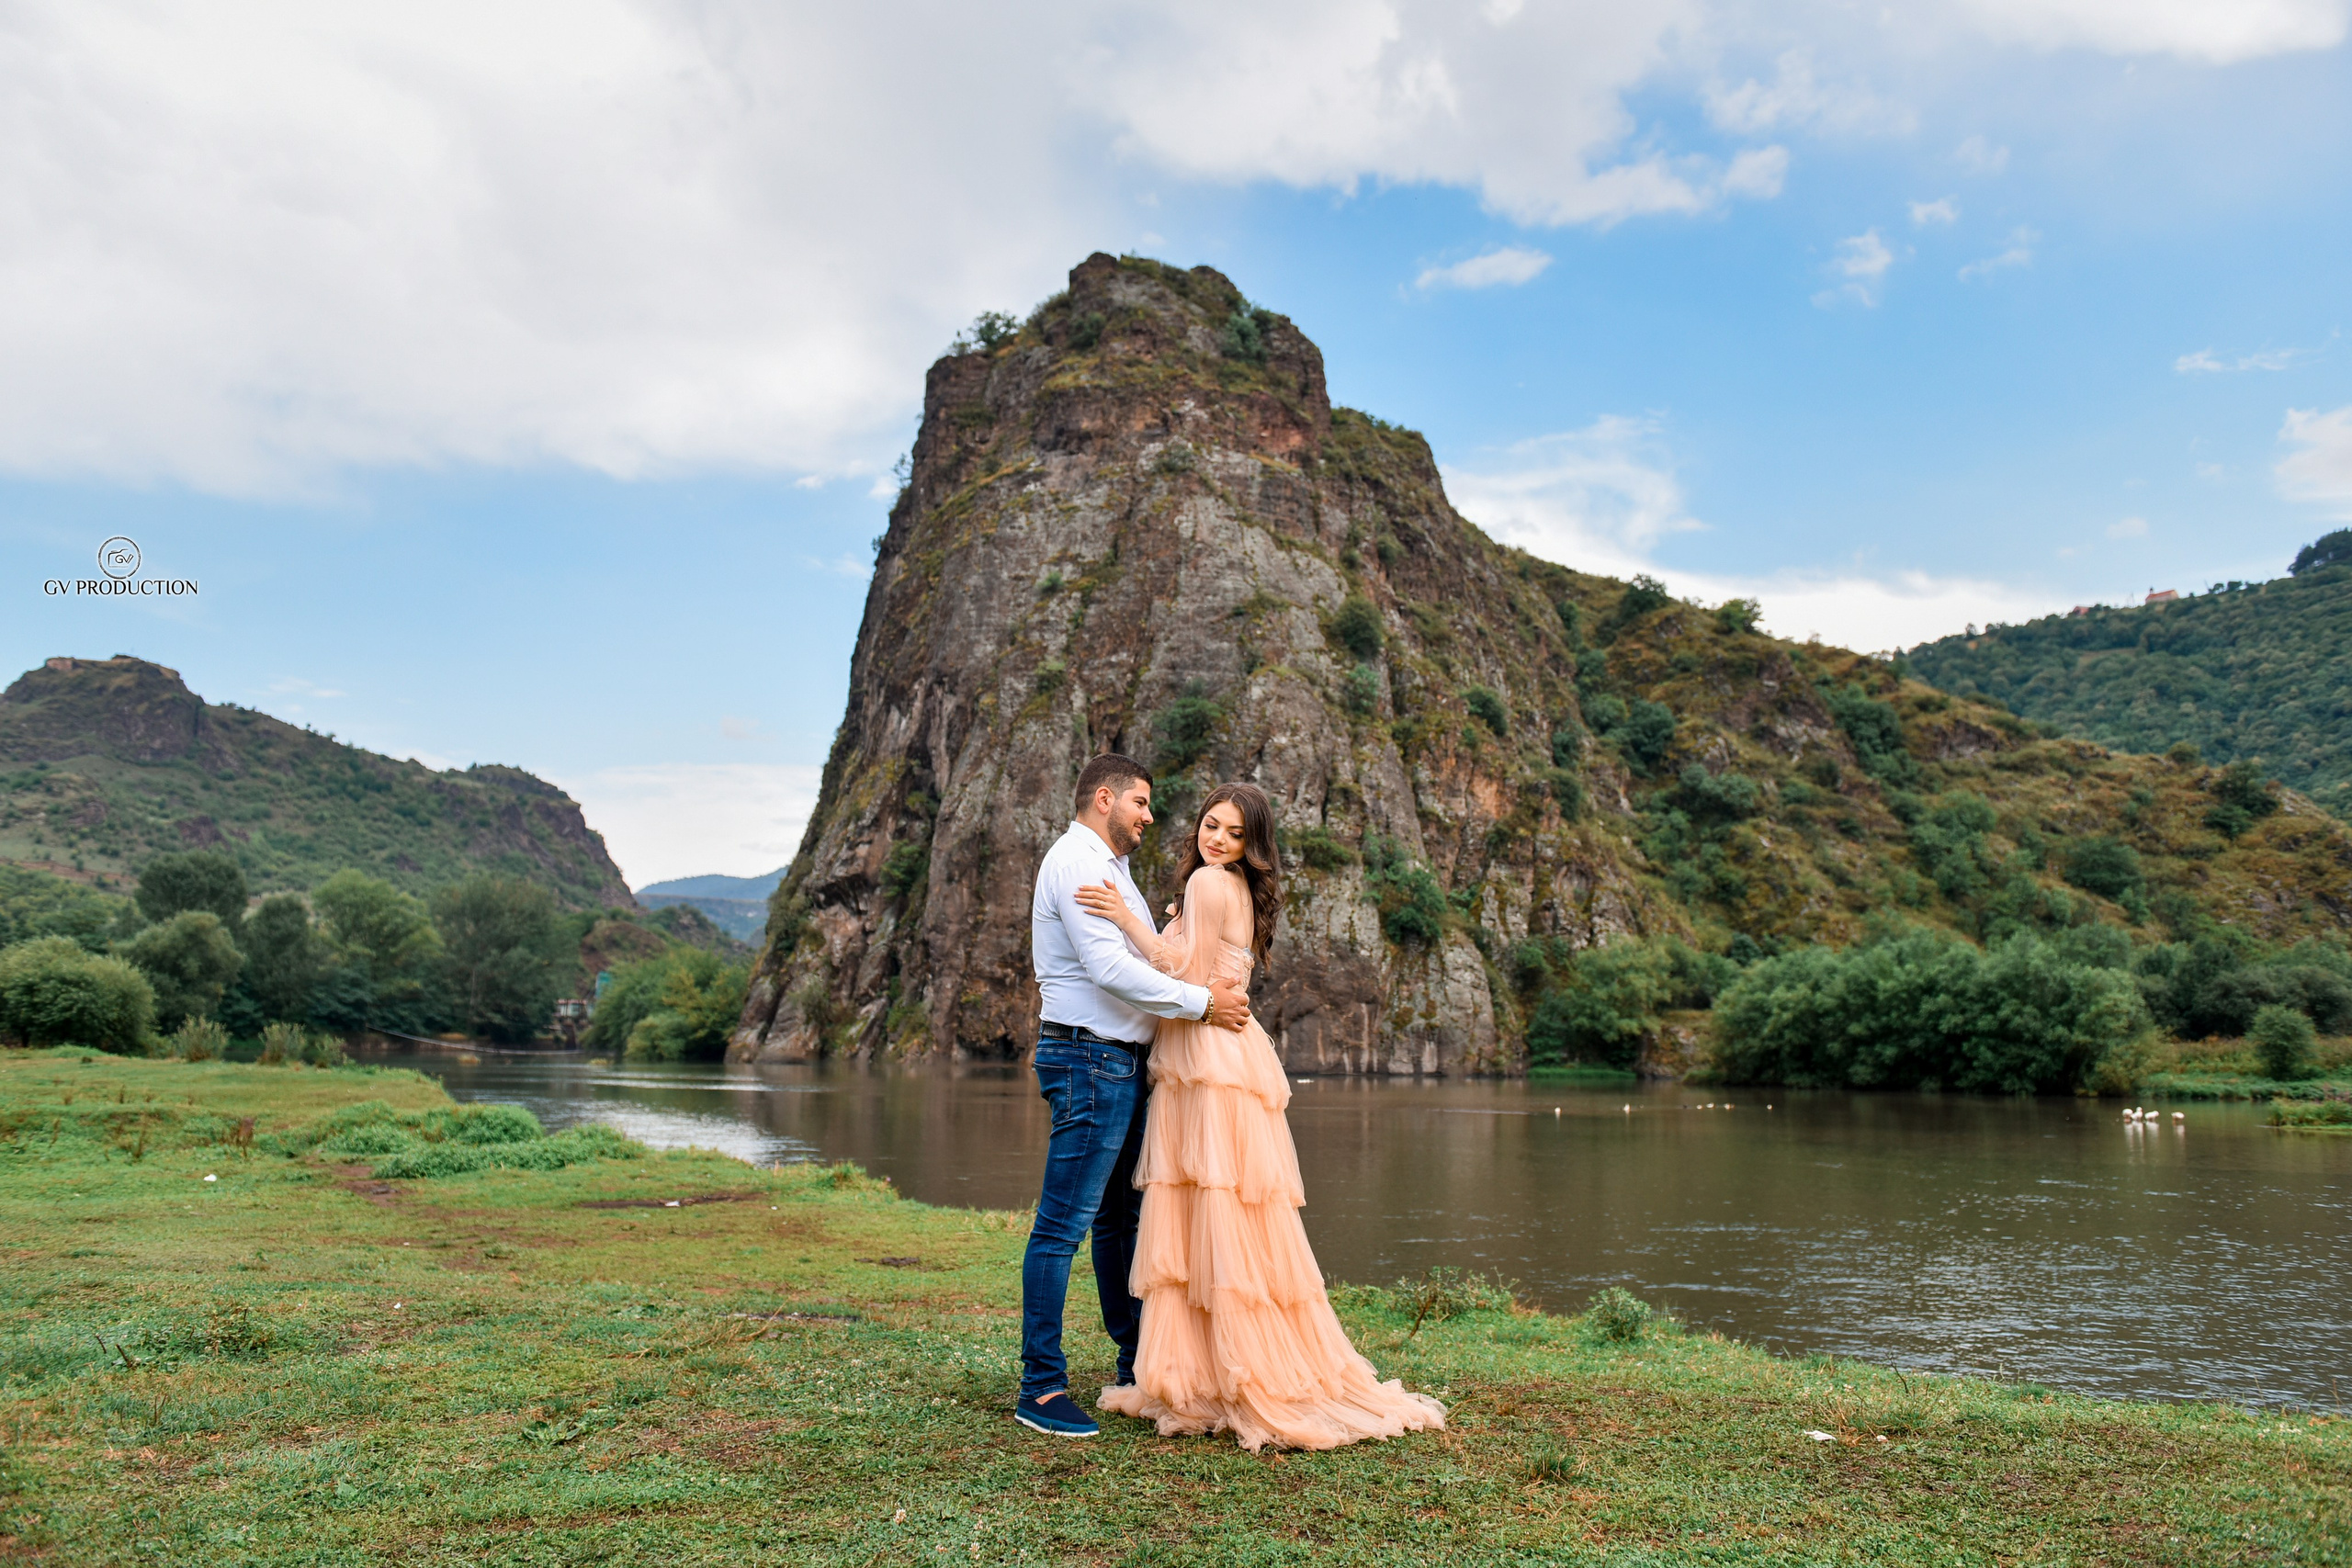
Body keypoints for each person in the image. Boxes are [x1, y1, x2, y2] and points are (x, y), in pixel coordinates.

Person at [1080, 783, 1446, 1451]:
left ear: (1252, 844)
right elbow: (1206, 962)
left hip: (1205, 1055)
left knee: (1210, 1204)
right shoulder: (1236, 889)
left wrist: (1126, 920)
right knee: (1235, 1211)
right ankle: (1223, 1360)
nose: (1215, 839)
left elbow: (1181, 973)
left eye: (1233, 833)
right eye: (1210, 825)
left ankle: (1221, 1368)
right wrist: (1175, 922)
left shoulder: (1210, 883)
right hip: (1233, 1053)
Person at [1016, 753, 1255, 1438]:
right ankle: (1041, 1386)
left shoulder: (1114, 870)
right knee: (1063, 1224)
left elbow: (1148, 953)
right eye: (1142, 803)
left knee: (1121, 1222)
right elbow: (1111, 969)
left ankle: (1134, 1362)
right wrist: (1203, 1003)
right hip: (1088, 1057)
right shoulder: (1078, 863)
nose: (1152, 816)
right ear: (1104, 798)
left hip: (1122, 1062)